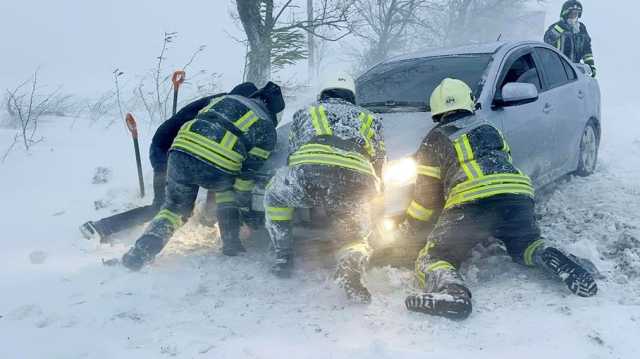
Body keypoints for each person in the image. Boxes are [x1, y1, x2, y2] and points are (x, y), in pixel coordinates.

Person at [402, 78, 598, 319]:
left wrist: (411, 228)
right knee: (525, 244)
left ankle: (453, 293)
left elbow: (426, 199)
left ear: (437, 110)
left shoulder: (435, 139)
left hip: (471, 202)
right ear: (468, 102)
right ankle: (548, 254)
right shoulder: (489, 128)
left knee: (435, 257)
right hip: (517, 195)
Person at [121, 81, 284, 270]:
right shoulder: (266, 128)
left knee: (174, 209)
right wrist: (246, 211)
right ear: (274, 112)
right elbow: (245, 178)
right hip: (217, 166)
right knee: (226, 192)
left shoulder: (224, 99)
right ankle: (231, 245)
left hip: (179, 153)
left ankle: (141, 252)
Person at [79, 83, 258, 242]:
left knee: (217, 170)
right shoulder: (225, 109)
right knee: (164, 207)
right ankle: (101, 227)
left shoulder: (225, 103)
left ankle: (207, 218)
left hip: (187, 150)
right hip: (168, 151)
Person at [263, 74, 385, 303]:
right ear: (352, 96)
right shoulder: (371, 118)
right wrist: (375, 192)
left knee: (276, 197)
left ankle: (283, 256)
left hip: (310, 173)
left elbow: (293, 153)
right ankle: (351, 264)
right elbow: (379, 159)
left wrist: (303, 184)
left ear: (323, 93)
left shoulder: (306, 112)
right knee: (355, 232)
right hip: (357, 179)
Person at [544, 0, 596, 77]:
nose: (574, 17)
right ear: (566, 14)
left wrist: (590, 65)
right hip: (556, 69)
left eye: (576, 14)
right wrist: (560, 28)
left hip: (574, 71)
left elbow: (587, 50)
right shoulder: (557, 27)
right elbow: (547, 39)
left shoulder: (581, 29)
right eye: (572, 14)